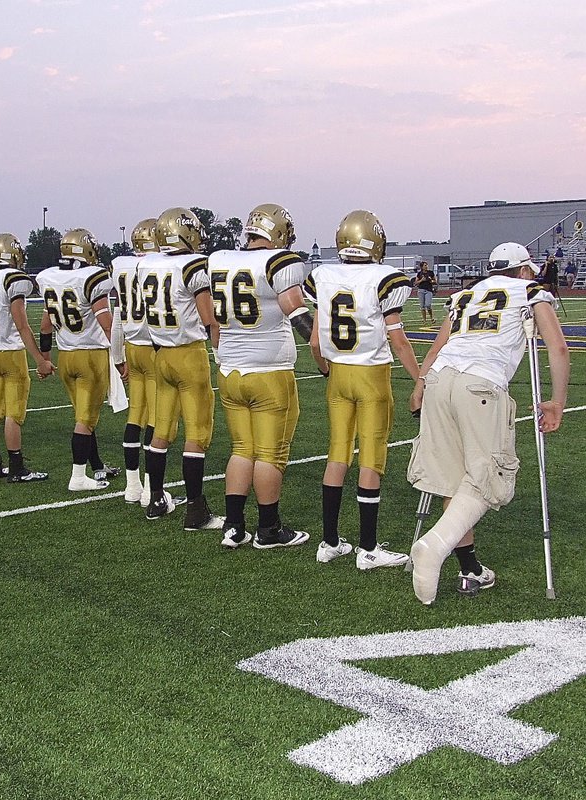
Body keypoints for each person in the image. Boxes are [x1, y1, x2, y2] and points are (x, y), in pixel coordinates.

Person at [408, 242, 569, 604]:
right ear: (525, 269)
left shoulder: (464, 295)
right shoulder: (530, 290)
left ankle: (469, 569)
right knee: (489, 478)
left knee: (453, 477)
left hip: (440, 378)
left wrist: (420, 385)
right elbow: (557, 347)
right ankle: (434, 546)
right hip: (480, 384)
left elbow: (437, 346)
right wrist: (557, 402)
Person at [307, 210, 421, 569]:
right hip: (371, 374)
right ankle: (368, 548)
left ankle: (329, 542)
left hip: (338, 374)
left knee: (338, 452)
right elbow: (398, 339)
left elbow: (313, 342)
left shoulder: (323, 275)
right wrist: (420, 378)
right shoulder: (384, 277)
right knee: (372, 455)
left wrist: (326, 370)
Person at [209, 203, 312, 550]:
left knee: (241, 449)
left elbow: (211, 318)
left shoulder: (219, 259)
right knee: (270, 454)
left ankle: (234, 527)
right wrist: (319, 347)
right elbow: (294, 309)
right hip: (268, 373)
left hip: (230, 372)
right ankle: (269, 529)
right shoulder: (278, 262)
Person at [137, 207, 223, 530]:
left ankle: (156, 499)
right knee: (197, 434)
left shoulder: (147, 264)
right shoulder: (192, 266)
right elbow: (209, 318)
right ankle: (196, 511)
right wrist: (220, 353)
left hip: (161, 355)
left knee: (161, 431)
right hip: (188, 355)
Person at [38, 228, 120, 491]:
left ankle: (96, 466)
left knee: (84, 415)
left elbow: (44, 325)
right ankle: (77, 477)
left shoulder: (51, 278)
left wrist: (45, 357)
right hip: (90, 356)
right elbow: (106, 322)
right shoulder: (93, 277)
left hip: (66, 357)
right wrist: (121, 355)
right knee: (85, 419)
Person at [0, 232, 53, 482]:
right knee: (14, 414)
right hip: (11, 353)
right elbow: (22, 326)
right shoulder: (13, 280)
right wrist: (40, 359)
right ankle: (16, 468)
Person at [112, 219, 161, 505]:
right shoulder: (158, 265)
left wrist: (118, 357)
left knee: (135, 416)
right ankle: (151, 490)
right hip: (154, 347)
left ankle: (132, 486)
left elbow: (118, 315)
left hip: (132, 345)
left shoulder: (121, 266)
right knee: (156, 419)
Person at [414, 261, 436, 325]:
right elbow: (415, 283)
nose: (426, 266)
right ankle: (424, 320)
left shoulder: (430, 273)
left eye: (426, 265)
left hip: (428, 290)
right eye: (425, 265)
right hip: (421, 290)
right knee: (422, 306)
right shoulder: (419, 274)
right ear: (422, 267)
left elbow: (435, 281)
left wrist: (431, 280)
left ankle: (432, 318)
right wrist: (421, 280)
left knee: (428, 305)